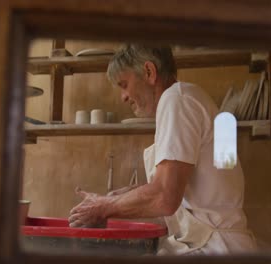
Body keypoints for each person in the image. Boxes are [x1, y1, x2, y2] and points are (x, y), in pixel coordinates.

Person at [68, 44, 257, 255]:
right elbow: (188, 184)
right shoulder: (191, 97)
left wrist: (104, 207)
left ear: (149, 72)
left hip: (215, 247)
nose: (123, 97)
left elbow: (165, 197)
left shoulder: (177, 99)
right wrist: (117, 197)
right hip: (219, 243)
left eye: (124, 84)